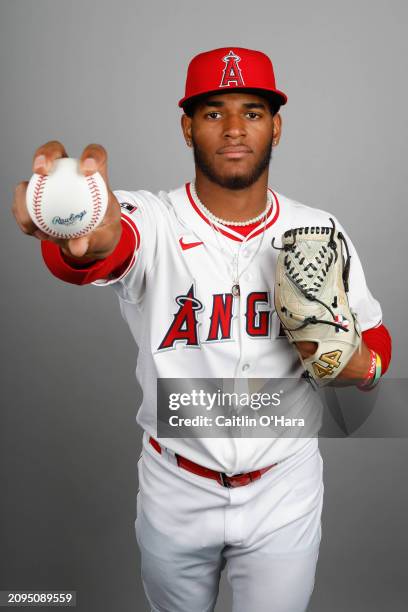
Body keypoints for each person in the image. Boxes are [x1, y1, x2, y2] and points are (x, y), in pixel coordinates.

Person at [13, 47, 392, 612]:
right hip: (176, 488)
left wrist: (364, 366)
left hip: (284, 490)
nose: (235, 128)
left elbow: (375, 337)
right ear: (187, 127)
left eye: (253, 112)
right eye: (213, 113)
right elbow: (103, 248)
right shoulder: (153, 219)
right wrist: (82, 230)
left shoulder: (319, 229)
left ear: (277, 127)